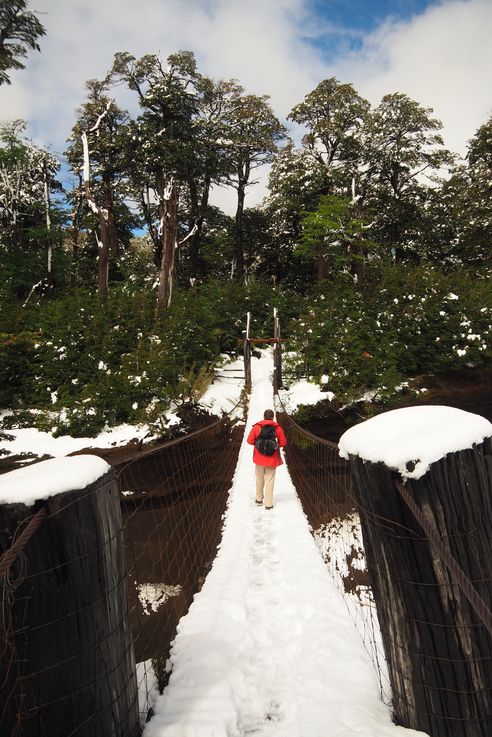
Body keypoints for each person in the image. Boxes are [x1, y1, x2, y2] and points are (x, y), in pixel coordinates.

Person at [247, 409, 287, 509]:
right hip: (272, 459)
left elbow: (249, 440)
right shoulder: (277, 428)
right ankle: (268, 504)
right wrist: (274, 445)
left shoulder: (257, 427)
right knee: (270, 481)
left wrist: (258, 445)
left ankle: (259, 499)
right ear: (273, 417)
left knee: (259, 479)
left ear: (264, 417)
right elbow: (283, 443)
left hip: (259, 459)